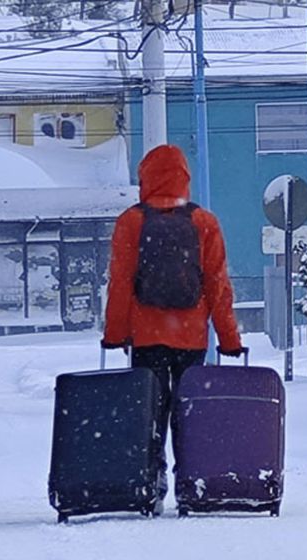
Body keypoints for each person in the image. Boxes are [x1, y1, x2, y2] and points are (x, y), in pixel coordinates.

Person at [101, 144, 244, 499]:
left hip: (146, 336)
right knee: (188, 408)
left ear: (145, 177)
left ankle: (151, 478)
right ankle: (190, 476)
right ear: (185, 178)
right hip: (191, 336)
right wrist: (229, 339)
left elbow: (120, 282)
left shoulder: (131, 221)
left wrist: (115, 335)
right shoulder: (204, 222)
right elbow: (217, 285)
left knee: (149, 411)